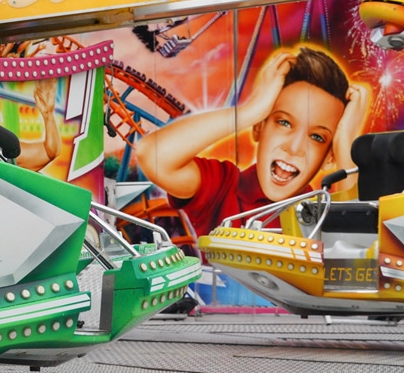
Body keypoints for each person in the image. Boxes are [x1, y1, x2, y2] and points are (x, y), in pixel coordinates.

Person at [133, 46, 370, 235]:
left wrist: (346, 148)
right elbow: (152, 155)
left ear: (329, 157)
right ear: (259, 127)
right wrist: (248, 112)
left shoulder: (322, 210)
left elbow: (354, 247)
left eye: (317, 137)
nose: (294, 147)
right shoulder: (223, 186)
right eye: (284, 122)